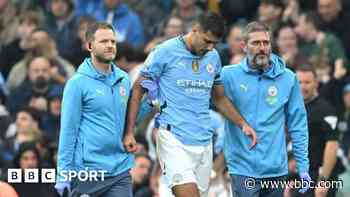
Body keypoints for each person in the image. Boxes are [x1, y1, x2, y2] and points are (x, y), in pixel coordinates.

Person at [123, 12, 257, 197]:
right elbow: (138, 89)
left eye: (215, 44)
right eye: (207, 40)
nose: (210, 47)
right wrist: (130, 131)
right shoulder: (165, 51)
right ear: (195, 29)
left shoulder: (213, 57)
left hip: (203, 142)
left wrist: (243, 124)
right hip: (172, 138)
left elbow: (219, 98)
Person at [220, 21, 310, 197]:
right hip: (242, 167)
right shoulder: (228, 75)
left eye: (266, 43)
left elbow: (298, 125)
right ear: (243, 46)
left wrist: (303, 166)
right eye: (256, 43)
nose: (262, 48)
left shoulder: (288, 79)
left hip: (276, 169)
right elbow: (210, 102)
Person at [55, 22, 134, 197]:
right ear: (90, 46)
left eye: (113, 42)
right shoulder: (77, 83)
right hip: (87, 172)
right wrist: (63, 174)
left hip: (119, 169)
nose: (110, 46)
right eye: (104, 41)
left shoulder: (124, 79)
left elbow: (128, 119)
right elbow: (68, 131)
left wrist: (148, 101)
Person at [296, 65, 340, 197]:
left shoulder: (326, 110)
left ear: (316, 83)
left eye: (307, 82)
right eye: (299, 82)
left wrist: (323, 180)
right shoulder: (293, 109)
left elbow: (332, 146)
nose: (303, 87)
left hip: (319, 178)